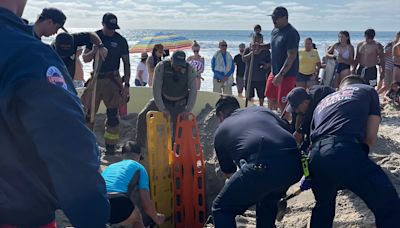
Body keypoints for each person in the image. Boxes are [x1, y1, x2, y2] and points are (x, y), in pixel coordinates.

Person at [0, 1, 110, 227]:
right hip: (20, 215)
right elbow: (67, 146)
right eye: (55, 27)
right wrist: (92, 213)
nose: (55, 32)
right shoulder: (29, 54)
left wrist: (98, 45)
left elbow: (89, 36)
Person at [308, 75, 400, 227]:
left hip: (316, 154)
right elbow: (370, 138)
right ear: (360, 84)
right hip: (344, 148)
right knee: (388, 203)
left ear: (340, 88)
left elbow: (313, 136)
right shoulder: (367, 90)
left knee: (323, 207)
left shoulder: (322, 102)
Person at [212, 95, 302, 227]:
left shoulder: (221, 130)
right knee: (267, 201)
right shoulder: (261, 111)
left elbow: (229, 173)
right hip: (294, 164)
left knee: (221, 209)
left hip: (262, 165)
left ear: (220, 115)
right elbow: (287, 130)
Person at [81, 12, 131, 155]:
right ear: (102, 24)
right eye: (109, 27)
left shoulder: (120, 40)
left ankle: (110, 148)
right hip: (96, 78)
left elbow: (126, 64)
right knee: (88, 115)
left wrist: (126, 85)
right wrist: (95, 50)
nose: (111, 31)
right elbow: (85, 59)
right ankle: (87, 147)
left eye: (114, 28)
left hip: (112, 80)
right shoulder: (94, 37)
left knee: (113, 117)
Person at [136, 51, 197, 149]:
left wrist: (188, 109)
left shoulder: (189, 69)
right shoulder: (161, 67)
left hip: (179, 104)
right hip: (163, 100)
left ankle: (176, 153)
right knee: (142, 116)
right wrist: (162, 108)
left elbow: (194, 89)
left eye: (180, 65)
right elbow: (156, 88)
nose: (178, 67)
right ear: (171, 60)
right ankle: (139, 147)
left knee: (178, 131)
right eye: (176, 64)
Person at [102, 141, 165, 226]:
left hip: (99, 202)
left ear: (122, 155)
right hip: (117, 201)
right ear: (139, 156)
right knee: (136, 219)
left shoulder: (110, 167)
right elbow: (146, 204)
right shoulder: (139, 167)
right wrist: (156, 217)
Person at [265, 6, 300, 114]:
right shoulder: (275, 31)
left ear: (285, 18)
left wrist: (281, 74)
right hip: (274, 71)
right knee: (269, 96)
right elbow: (273, 45)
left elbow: (292, 56)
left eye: (276, 18)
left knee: (283, 103)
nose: (273, 21)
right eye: (272, 18)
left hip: (287, 74)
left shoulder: (291, 33)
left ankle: (286, 125)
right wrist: (260, 47)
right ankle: (270, 121)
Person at [285, 86, 335, 151]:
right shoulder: (302, 106)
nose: (296, 111)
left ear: (305, 102)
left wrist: (301, 132)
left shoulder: (316, 106)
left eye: (297, 108)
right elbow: (295, 125)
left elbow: (308, 126)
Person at [243, 33, 271, 106]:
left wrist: (267, 65)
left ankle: (261, 109)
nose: (257, 41)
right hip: (249, 78)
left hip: (261, 78)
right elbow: (243, 59)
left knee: (261, 96)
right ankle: (250, 110)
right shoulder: (248, 49)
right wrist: (252, 53)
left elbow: (271, 63)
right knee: (249, 97)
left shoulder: (266, 51)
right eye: (255, 39)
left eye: (259, 39)